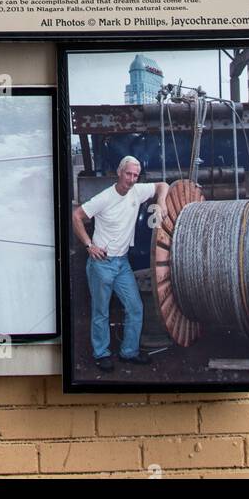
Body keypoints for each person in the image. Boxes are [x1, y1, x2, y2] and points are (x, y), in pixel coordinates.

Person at [71, 156, 169, 373]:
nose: (132, 179)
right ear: (119, 172)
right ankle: (102, 354)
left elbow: (163, 185)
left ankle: (129, 352)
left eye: (135, 175)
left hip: (122, 263)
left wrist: (161, 201)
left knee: (135, 307)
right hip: (101, 263)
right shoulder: (104, 198)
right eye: (128, 174)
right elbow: (76, 216)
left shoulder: (137, 191)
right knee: (101, 311)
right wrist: (89, 245)